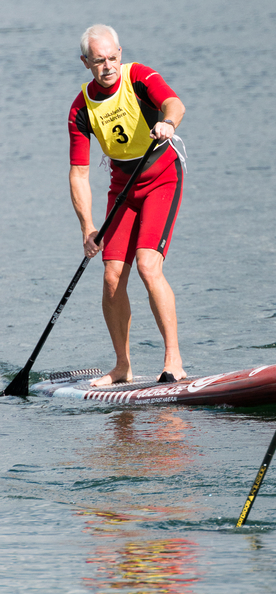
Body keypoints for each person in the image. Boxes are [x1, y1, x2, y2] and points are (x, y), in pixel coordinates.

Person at [68, 24, 186, 387]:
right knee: (112, 275)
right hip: (122, 188)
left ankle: (174, 361)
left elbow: (174, 103)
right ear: (85, 62)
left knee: (149, 266)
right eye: (98, 60)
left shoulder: (139, 76)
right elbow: (78, 174)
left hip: (162, 177)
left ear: (120, 53)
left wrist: (167, 122)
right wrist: (88, 227)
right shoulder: (80, 107)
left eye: (112, 57)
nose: (107, 66)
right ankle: (122, 366)